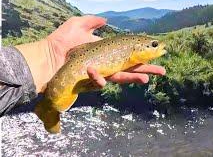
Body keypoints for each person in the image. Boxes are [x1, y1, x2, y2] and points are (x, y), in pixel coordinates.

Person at [0, 15, 166, 116]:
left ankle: (48, 107)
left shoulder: (132, 49)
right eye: (153, 45)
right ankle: (48, 107)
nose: (158, 47)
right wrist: (49, 52)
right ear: (137, 48)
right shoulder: (130, 47)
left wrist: (46, 53)